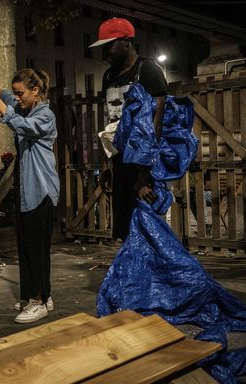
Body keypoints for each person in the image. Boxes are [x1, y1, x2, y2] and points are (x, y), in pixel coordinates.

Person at [0, 69, 60, 324]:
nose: (17, 97)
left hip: (41, 189)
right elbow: (8, 98)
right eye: (15, 93)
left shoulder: (45, 115)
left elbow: (18, 123)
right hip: (27, 191)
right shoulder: (24, 105)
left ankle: (39, 301)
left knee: (36, 249)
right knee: (27, 247)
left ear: (35, 91)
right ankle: (41, 296)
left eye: (20, 93)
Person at [90, 17, 168, 240]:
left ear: (126, 41)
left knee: (147, 228)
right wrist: (108, 162)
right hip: (120, 160)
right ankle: (131, 273)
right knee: (125, 229)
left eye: (109, 45)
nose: (106, 52)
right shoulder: (109, 75)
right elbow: (111, 122)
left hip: (143, 161)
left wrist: (144, 174)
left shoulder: (148, 70)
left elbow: (157, 121)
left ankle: (150, 275)